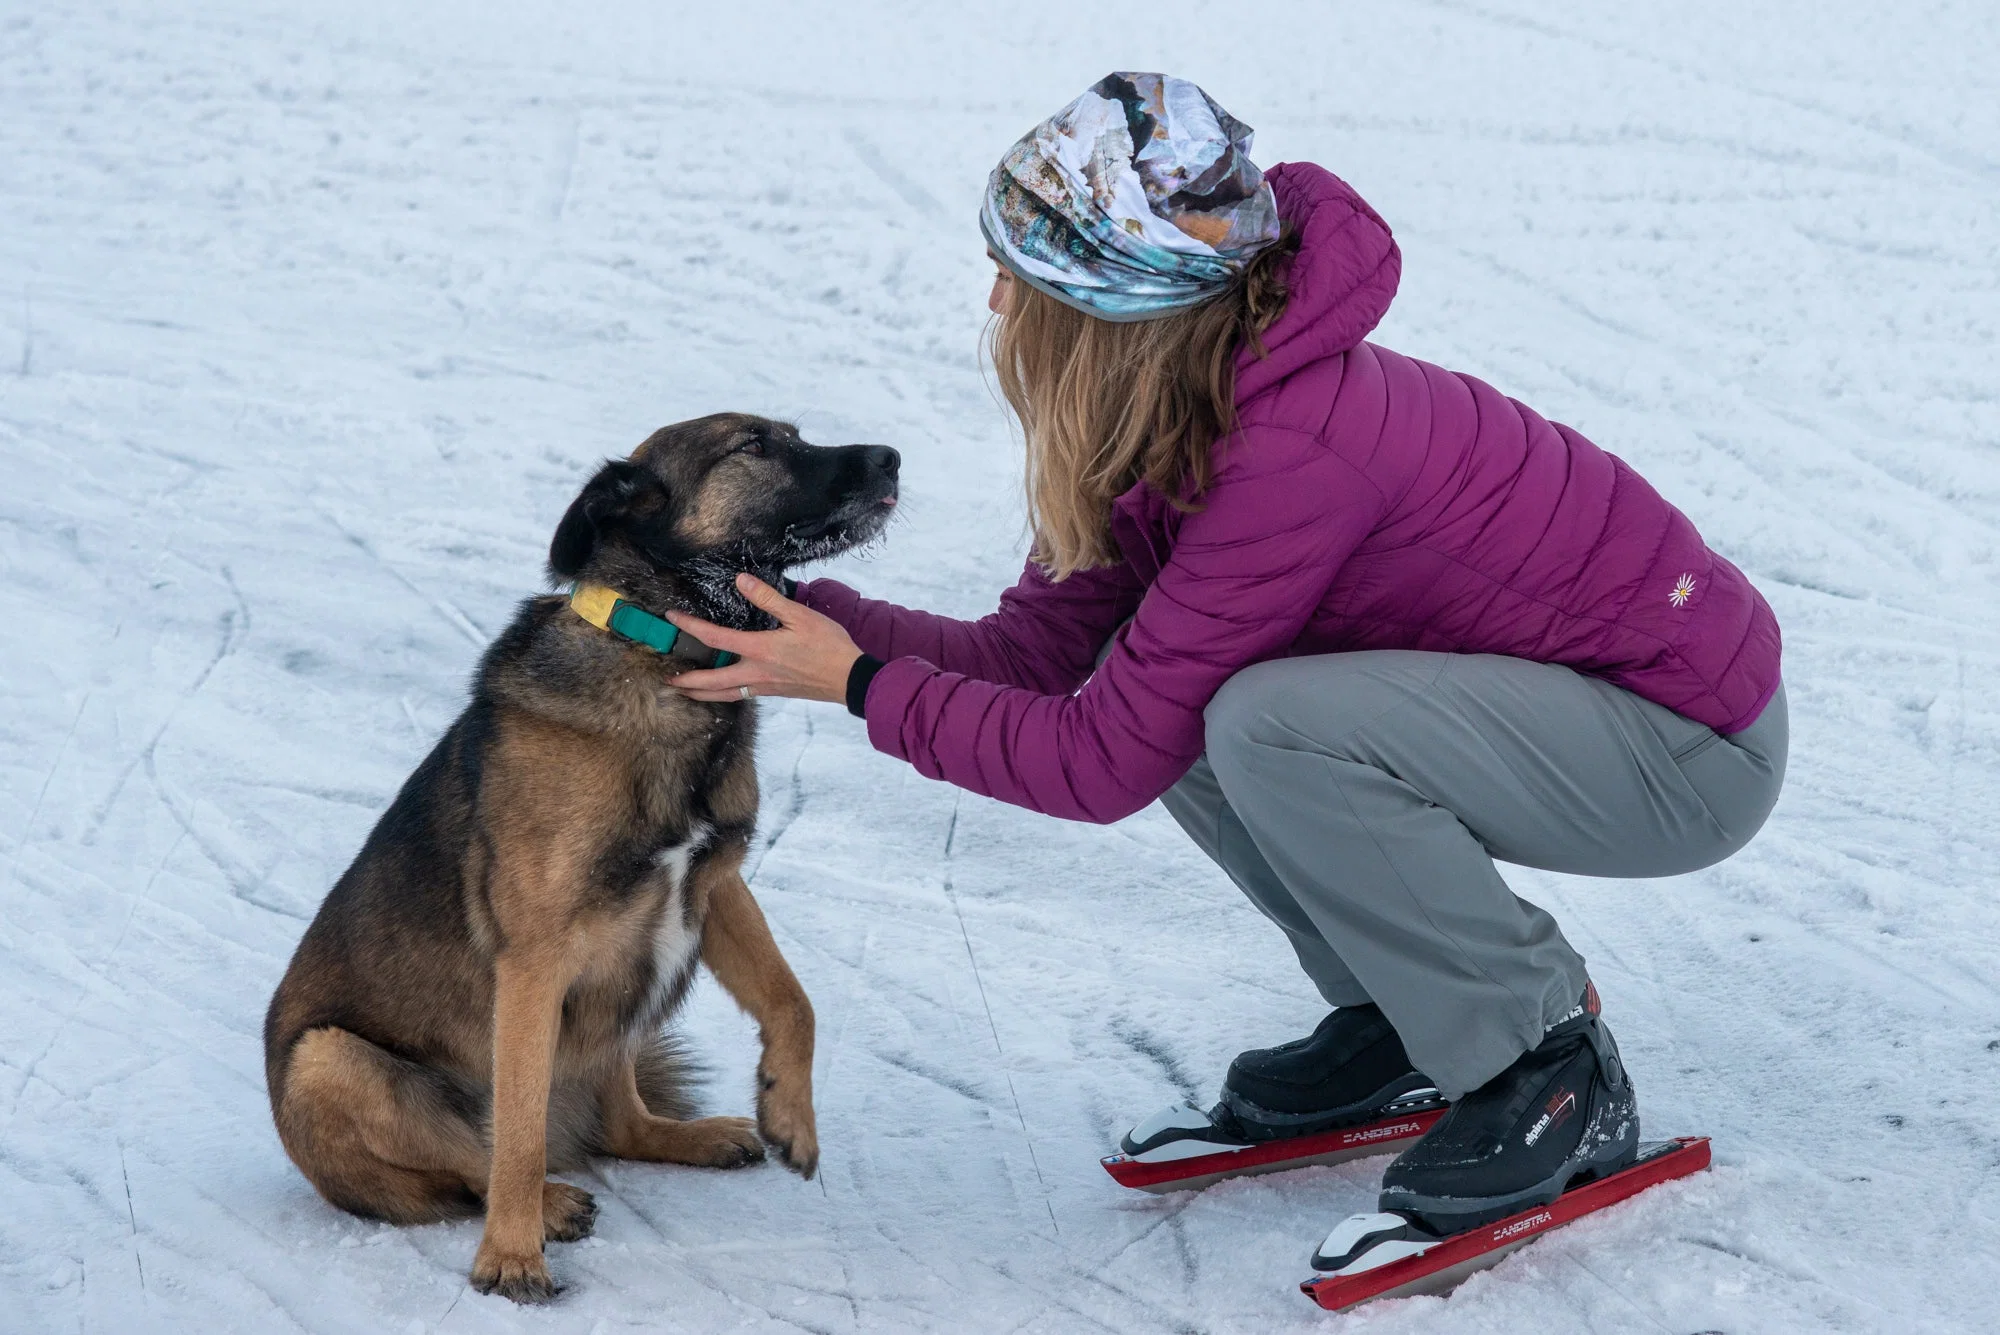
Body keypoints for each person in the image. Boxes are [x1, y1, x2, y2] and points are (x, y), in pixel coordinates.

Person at [664, 73, 1786, 1233]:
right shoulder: (1171, 416)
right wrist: (810, 623)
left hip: (1681, 746)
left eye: (1025, 272)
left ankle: (1542, 1064)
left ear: (1109, 304)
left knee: (1255, 720)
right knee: (1199, 704)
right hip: (1580, 711)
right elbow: (1032, 655)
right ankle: (1407, 1018)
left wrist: (853, 683)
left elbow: (1095, 765)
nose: (997, 301)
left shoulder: (1290, 447)